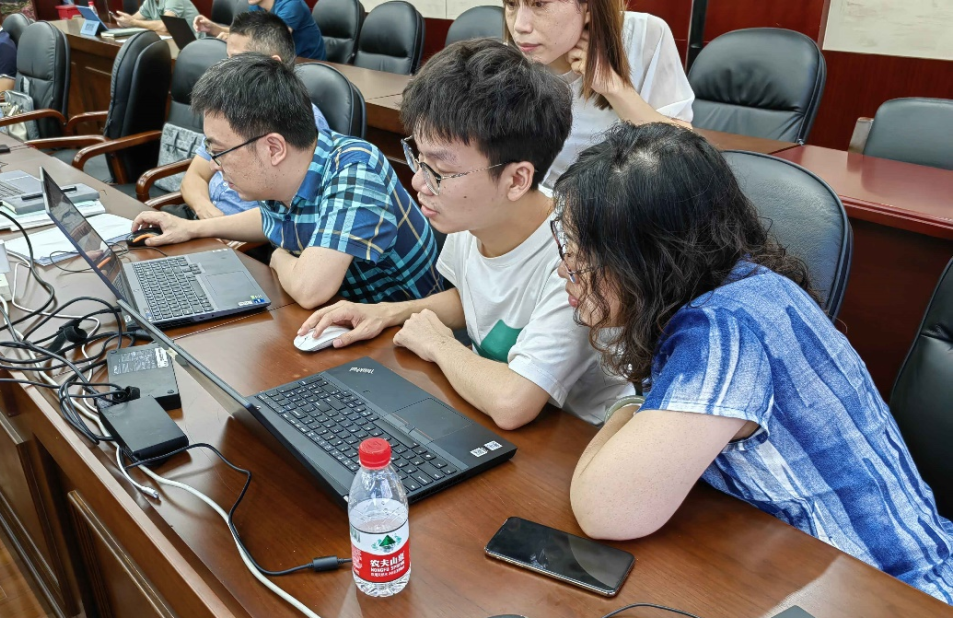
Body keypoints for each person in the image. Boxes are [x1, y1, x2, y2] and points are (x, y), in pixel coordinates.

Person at [558, 122, 953, 602]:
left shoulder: (724, 331)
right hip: (819, 573)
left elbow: (605, 509)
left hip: (897, 595)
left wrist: (628, 409)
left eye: (582, 255)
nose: (565, 268)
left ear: (645, 259)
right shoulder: (746, 284)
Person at [299, 40, 630, 429]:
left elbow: (513, 402)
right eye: (419, 159)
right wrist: (388, 312)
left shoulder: (575, 261)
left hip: (572, 434)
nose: (419, 182)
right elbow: (474, 296)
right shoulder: (472, 215)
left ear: (516, 179)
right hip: (487, 402)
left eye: (440, 170)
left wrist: (438, 344)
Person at [131, 54, 443, 310]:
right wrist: (191, 228)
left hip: (407, 331)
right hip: (343, 318)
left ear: (273, 148)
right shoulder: (282, 176)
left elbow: (309, 290)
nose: (214, 164)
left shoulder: (355, 167)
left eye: (220, 152)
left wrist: (278, 256)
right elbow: (269, 219)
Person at [504, 0, 693, 188]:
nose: (519, 26)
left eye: (539, 4)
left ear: (588, 7)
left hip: (622, 202)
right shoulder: (507, 63)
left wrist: (614, 87)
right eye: (511, 4)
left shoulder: (643, 35)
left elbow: (685, 156)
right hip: (538, 202)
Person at [180, 11, 329, 220]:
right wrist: (205, 215)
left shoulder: (303, 123)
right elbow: (194, 176)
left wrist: (213, 227)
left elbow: (291, 215)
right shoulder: (225, 109)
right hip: (202, 219)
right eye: (227, 58)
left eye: (238, 60)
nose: (227, 68)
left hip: (242, 236)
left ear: (273, 64)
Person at [193, 0, 325, 60]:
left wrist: (234, 40)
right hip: (277, 60)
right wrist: (215, 28)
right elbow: (248, 32)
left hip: (306, 63)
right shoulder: (257, 6)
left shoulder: (291, 3)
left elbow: (271, 40)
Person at [113, 0, 202, 39]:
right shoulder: (150, 2)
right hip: (174, 44)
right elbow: (133, 19)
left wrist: (133, 22)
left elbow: (165, 26)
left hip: (195, 46)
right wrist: (123, 21)